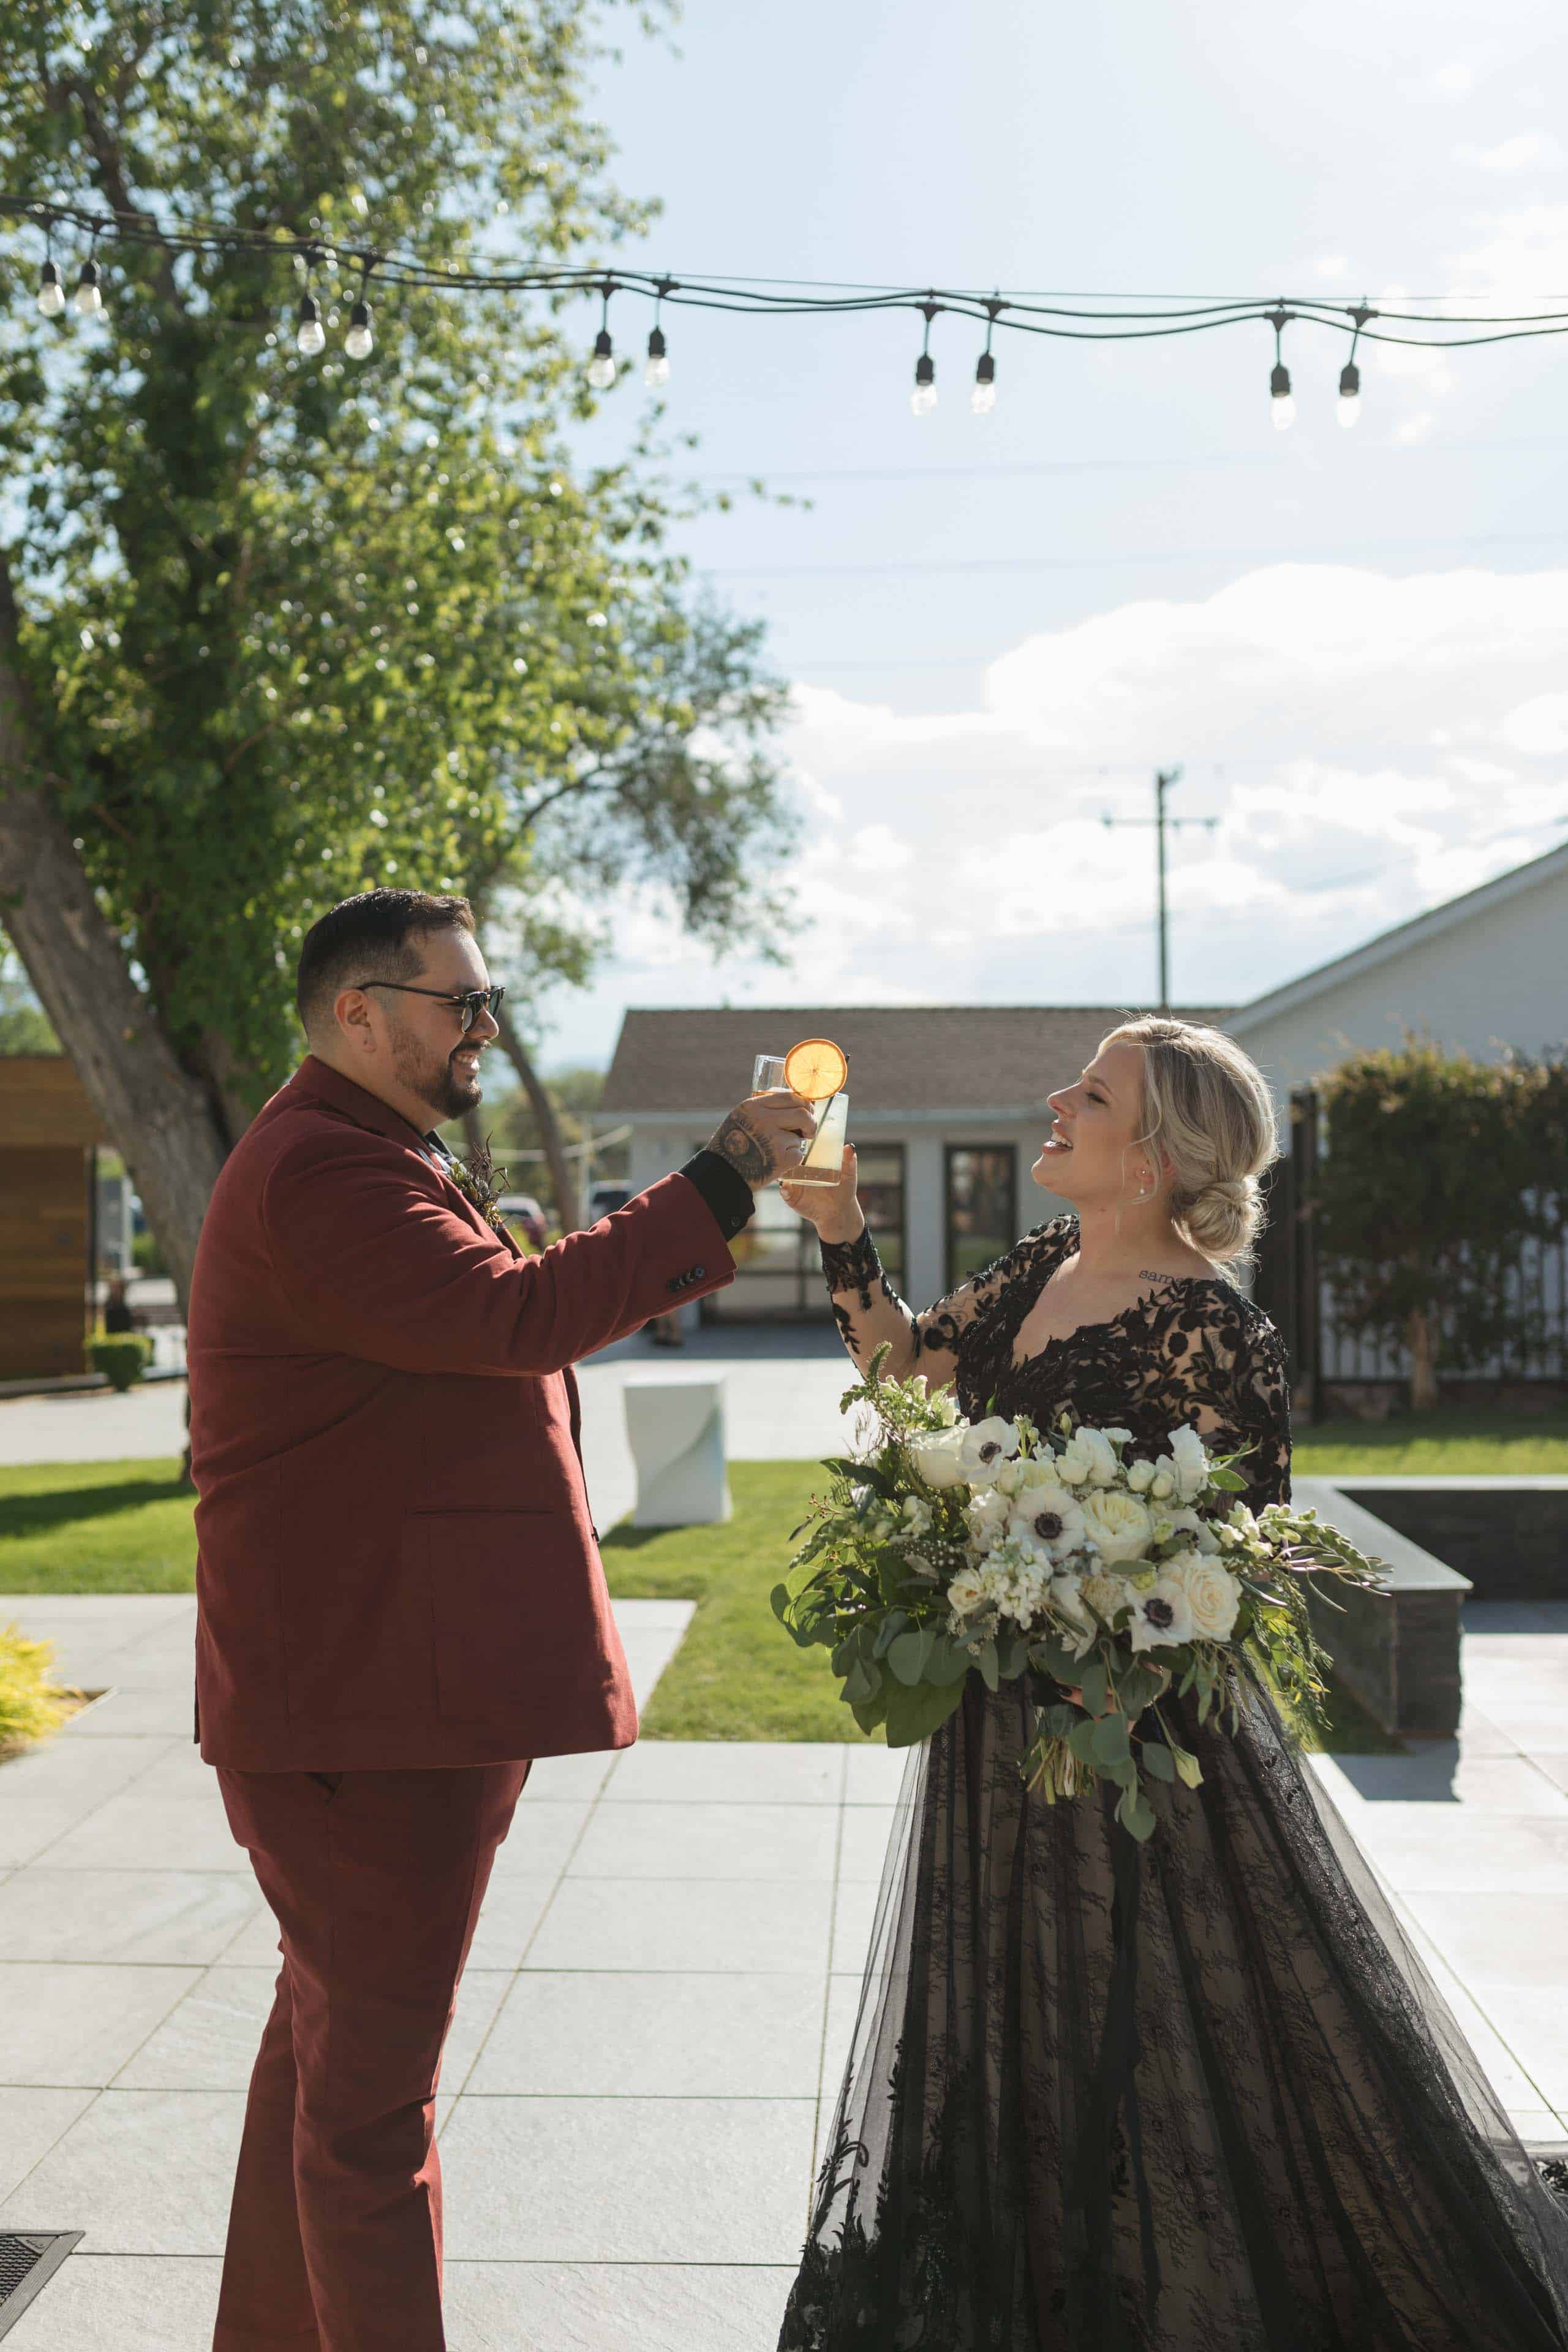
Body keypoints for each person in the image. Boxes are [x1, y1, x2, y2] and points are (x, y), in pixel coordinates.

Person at [776, 1016, 1568, 2351]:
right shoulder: (1044, 1260)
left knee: (1140, 2027)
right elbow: (904, 1371)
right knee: (1016, 2016)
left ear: (1152, 1154)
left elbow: (1240, 1565)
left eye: (1090, 1095)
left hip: (1127, 1746)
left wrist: (1090, 1632)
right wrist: (841, 1224)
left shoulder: (1214, 1327)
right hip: (995, 1720)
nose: (1055, 1099)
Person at [185, 886, 810, 2352]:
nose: (484, 1025)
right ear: (358, 1013)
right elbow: (514, 1317)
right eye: (458, 1001)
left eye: (488, 999)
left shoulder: (368, 1149)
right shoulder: (325, 1170)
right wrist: (723, 1177)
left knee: (327, 2059)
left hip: (387, 1698)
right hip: (365, 1713)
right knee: (367, 2113)